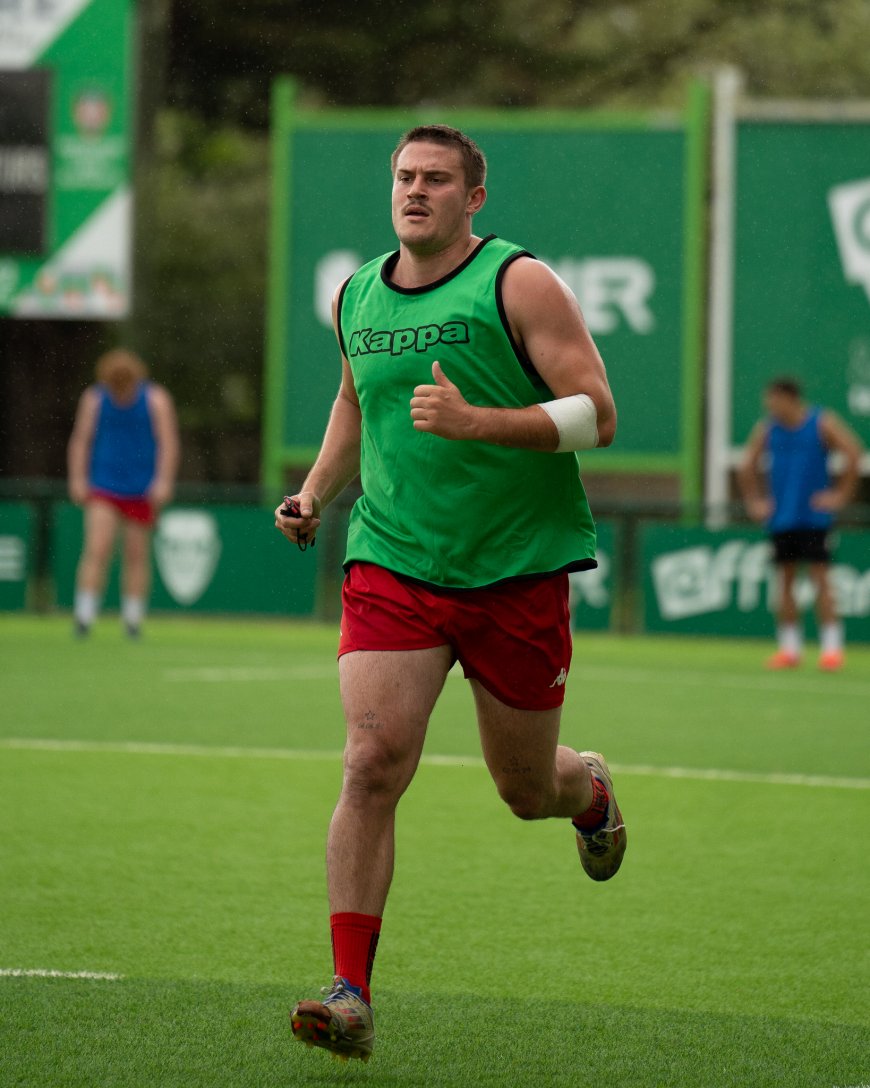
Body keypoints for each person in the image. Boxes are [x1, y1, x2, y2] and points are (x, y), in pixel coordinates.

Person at [275, 124, 624, 1063]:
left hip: (516, 569)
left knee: (524, 788)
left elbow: (598, 410)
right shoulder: (357, 291)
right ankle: (349, 992)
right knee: (371, 759)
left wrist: (480, 422)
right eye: (403, 176)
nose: (415, 190)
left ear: (474, 197)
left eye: (436, 178)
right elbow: (357, 404)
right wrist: (316, 492)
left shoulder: (518, 283)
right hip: (394, 561)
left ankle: (587, 791)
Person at [738, 376, 862, 671]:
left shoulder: (821, 422)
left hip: (814, 517)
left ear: (790, 398)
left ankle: (832, 649)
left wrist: (840, 496)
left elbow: (853, 452)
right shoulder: (767, 429)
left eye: (774, 399)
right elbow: (747, 465)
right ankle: (789, 649)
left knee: (822, 581)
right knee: (786, 583)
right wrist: (755, 500)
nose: (769, 406)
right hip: (782, 519)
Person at [67, 348, 180, 638]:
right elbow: (81, 439)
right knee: (98, 547)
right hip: (104, 484)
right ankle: (85, 614)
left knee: (136, 553)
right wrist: (78, 478)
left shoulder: (155, 399)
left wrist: (163, 481)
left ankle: (132, 618)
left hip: (141, 487)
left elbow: (168, 442)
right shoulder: (95, 399)